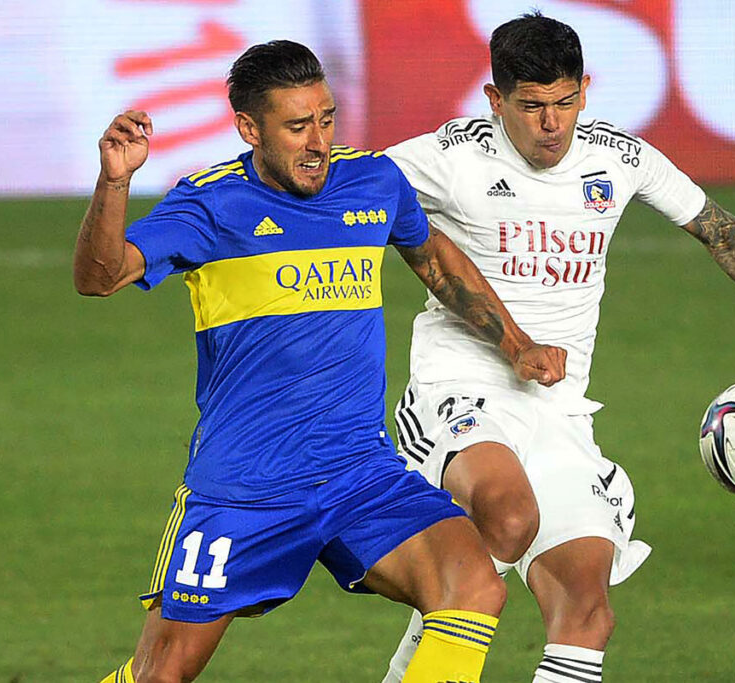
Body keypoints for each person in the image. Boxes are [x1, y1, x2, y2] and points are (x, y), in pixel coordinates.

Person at [380, 12, 735, 683]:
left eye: (564, 102)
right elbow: (347, 195)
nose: (550, 124)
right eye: (530, 107)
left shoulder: (617, 158)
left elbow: (720, 230)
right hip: (460, 388)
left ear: (585, 90)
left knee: (587, 612)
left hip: (560, 409)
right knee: (506, 514)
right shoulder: (450, 156)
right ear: (496, 101)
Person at [76, 40, 568, 683]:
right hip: (245, 488)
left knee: (472, 584)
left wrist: (517, 344)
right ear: (250, 128)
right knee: (160, 674)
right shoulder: (211, 204)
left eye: (328, 119)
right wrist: (116, 182)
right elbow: (100, 276)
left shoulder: (373, 182)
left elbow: (437, 263)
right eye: (298, 125)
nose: (319, 142)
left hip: (358, 471)